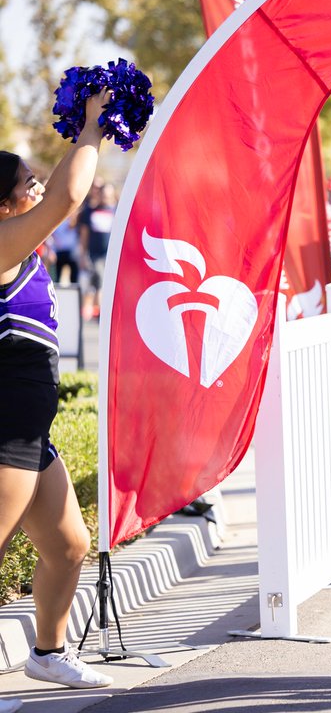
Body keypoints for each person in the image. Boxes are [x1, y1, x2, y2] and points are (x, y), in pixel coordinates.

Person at [0, 92, 114, 699]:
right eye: (27, 181)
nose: (38, 185)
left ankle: (46, 654)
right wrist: (94, 125)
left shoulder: (22, 247)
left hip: (28, 433)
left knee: (69, 546)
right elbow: (72, 195)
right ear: (2, 206)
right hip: (4, 429)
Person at [77, 182, 115, 320]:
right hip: (94, 254)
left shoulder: (116, 211)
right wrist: (82, 254)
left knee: (104, 284)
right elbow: (84, 234)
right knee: (98, 281)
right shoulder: (90, 212)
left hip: (110, 255)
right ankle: (99, 313)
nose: (105, 197)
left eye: (108, 194)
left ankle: (102, 312)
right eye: (103, 194)